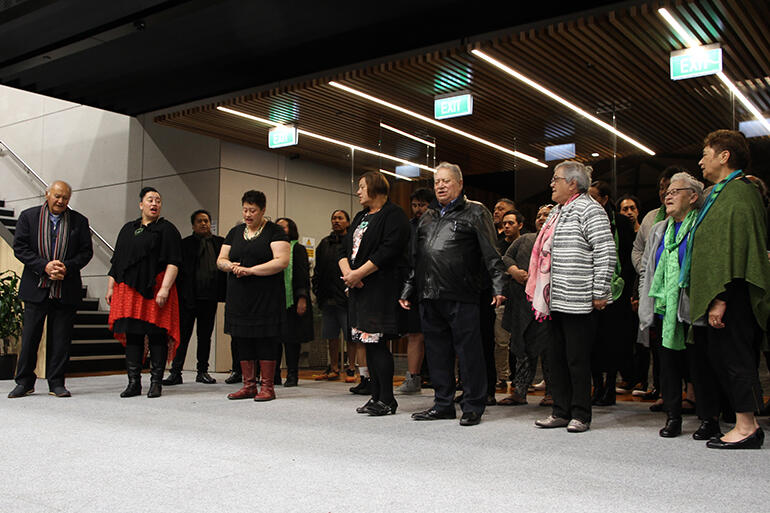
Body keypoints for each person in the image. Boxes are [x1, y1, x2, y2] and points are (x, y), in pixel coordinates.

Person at [400, 162, 507, 426]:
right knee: (437, 353)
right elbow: (418, 258)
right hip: (429, 294)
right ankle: (443, 404)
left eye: (446, 181)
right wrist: (408, 288)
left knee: (469, 354)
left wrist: (499, 286)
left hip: (463, 294)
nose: (440, 186)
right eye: (437, 182)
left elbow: (491, 253)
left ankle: (473, 405)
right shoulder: (427, 217)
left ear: (459, 184)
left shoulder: (476, 212)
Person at [686, 130, 770, 449]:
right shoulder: (721, 192)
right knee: (725, 356)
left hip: (732, 293)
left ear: (724, 156)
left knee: (736, 357)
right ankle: (742, 422)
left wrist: (721, 297)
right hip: (726, 292)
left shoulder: (739, 192)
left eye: (705, 153)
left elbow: (735, 250)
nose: (700, 160)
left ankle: (747, 426)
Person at [532, 161, 615, 433]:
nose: (551, 184)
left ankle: (581, 414)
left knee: (577, 360)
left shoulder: (591, 210)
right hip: (553, 299)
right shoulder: (558, 210)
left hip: (579, 299)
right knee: (554, 358)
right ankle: (560, 410)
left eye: (556, 179)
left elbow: (605, 252)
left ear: (572, 183)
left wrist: (600, 291)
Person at [8, 181, 93, 399]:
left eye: (65, 197)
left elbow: (86, 252)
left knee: (61, 339)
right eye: (57, 196)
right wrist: (44, 266)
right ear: (47, 194)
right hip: (36, 287)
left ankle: (57, 383)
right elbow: (20, 248)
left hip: (66, 288)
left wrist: (67, 266)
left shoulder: (79, 221)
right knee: (29, 339)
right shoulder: (28, 217)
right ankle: (24, 382)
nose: (60, 201)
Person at [638, 172, 704, 437]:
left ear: (693, 197)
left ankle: (708, 418)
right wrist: (647, 301)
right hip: (665, 308)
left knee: (699, 365)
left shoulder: (701, 225)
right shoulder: (659, 229)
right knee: (668, 365)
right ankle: (673, 417)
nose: (669, 195)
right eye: (668, 191)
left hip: (692, 307)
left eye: (676, 191)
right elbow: (648, 267)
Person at [341, 171, 410, 416]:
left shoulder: (394, 215)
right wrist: (350, 274)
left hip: (381, 288)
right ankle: (375, 397)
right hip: (359, 288)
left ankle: (387, 400)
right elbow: (344, 249)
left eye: (362, 187)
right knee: (366, 344)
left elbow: (388, 251)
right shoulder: (360, 216)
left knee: (378, 343)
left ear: (376, 189)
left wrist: (359, 274)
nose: (358, 192)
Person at [107, 187, 182, 398]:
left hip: (156, 288)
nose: (154, 203)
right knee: (133, 336)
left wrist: (165, 288)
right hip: (128, 290)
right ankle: (133, 383)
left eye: (158, 200)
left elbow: (173, 262)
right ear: (141, 204)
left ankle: (156, 382)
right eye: (150, 200)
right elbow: (117, 262)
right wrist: (111, 287)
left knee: (157, 335)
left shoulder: (167, 229)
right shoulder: (128, 229)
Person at [217, 190, 290, 402]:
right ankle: (248, 385)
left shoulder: (275, 231)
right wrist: (229, 266)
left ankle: (267, 387)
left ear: (263, 210)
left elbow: (281, 261)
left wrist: (251, 270)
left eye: (253, 211)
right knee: (241, 338)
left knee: (266, 339)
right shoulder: (235, 231)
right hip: (239, 296)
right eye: (245, 210)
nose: (248, 215)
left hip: (266, 296)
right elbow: (221, 259)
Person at [631, 166, 685, 401]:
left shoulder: (694, 219)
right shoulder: (653, 220)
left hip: (681, 292)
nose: (666, 193)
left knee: (686, 348)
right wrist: (645, 270)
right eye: (663, 188)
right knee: (659, 347)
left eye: (672, 188)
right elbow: (639, 250)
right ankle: (664, 393)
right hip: (656, 290)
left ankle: (690, 393)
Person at [162, 209, 226, 386]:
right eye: (199, 221)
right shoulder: (185, 244)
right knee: (182, 336)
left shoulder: (220, 243)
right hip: (188, 298)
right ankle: (176, 372)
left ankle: (202, 371)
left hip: (210, 297)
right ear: (193, 225)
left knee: (205, 336)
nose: (204, 224)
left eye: (206, 220)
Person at [587, 180, 636, 407]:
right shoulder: (586, 219)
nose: (589, 201)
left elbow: (629, 259)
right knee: (593, 341)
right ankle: (596, 385)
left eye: (594, 196)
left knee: (614, 341)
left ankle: (610, 387)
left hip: (618, 292)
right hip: (591, 290)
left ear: (605, 199)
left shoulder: (623, 224)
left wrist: (622, 284)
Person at [499, 205, 553, 406]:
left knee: (549, 350)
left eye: (546, 215)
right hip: (522, 303)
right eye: (538, 215)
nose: (541, 218)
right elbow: (506, 257)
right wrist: (514, 271)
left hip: (547, 303)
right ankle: (519, 392)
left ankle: (552, 392)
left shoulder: (558, 241)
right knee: (521, 348)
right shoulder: (525, 239)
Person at [311, 210, 358, 383]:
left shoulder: (352, 242)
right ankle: (334, 368)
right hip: (327, 298)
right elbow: (317, 271)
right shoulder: (324, 243)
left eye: (340, 218)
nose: (336, 221)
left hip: (346, 299)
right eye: (334, 218)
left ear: (347, 222)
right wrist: (317, 291)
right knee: (330, 336)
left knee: (350, 336)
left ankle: (351, 368)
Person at [396, 187, 434, 395]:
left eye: (422, 204)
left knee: (439, 335)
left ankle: (445, 377)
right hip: (412, 285)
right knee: (414, 334)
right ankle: (413, 377)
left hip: (436, 285)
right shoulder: (407, 227)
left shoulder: (438, 225)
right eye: (415, 205)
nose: (418, 209)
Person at [275, 217, 313, 387]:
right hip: (274, 301)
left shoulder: (298, 249)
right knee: (273, 340)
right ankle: (273, 375)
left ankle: (292, 374)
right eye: (278, 228)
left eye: (284, 227)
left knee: (291, 341)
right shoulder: (272, 249)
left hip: (293, 301)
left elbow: (303, 276)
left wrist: (302, 298)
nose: (281, 230)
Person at [493, 210, 524, 390]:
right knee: (501, 341)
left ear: (519, 225)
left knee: (520, 342)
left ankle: (521, 378)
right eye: (504, 223)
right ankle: (502, 376)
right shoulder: (497, 246)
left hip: (522, 298)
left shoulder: (526, 243)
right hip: (502, 298)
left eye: (511, 223)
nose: (506, 226)